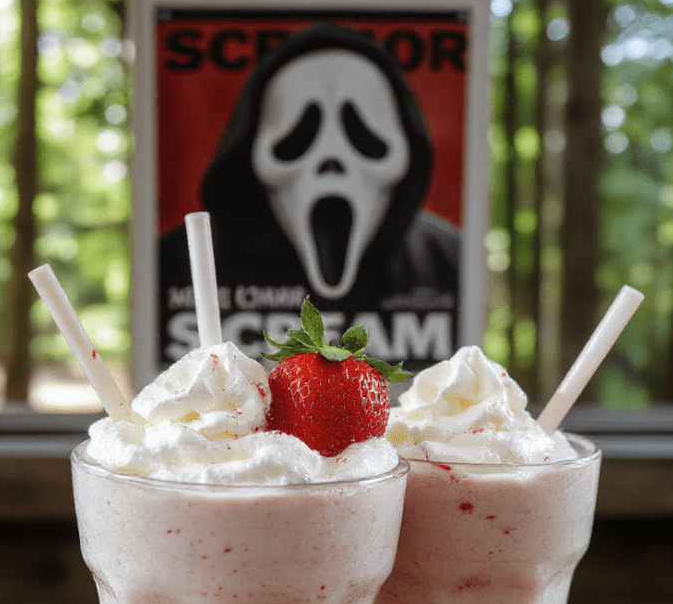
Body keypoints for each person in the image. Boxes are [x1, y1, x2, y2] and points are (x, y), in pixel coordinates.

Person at [159, 22, 461, 370]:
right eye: (296, 136)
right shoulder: (180, 260)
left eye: (365, 137)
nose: (330, 159)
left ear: (406, 159)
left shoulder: (447, 258)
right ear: (251, 157)